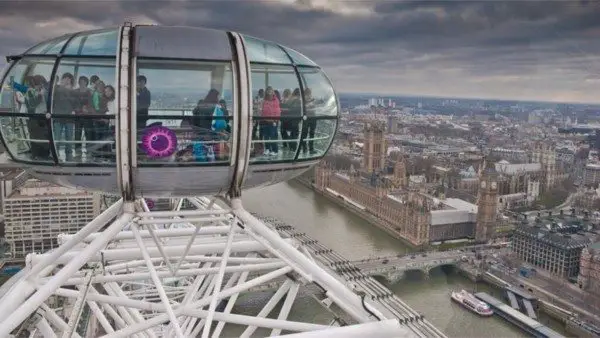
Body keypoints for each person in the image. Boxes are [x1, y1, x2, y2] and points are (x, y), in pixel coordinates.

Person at [260, 86, 281, 156]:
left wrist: (274, 120)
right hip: (265, 121)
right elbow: (263, 111)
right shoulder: (264, 101)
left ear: (272, 92)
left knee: (273, 136)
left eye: (270, 91)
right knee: (266, 135)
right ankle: (267, 149)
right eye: (268, 91)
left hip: (273, 121)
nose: (269, 92)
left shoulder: (276, 101)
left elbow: (277, 111)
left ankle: (275, 150)